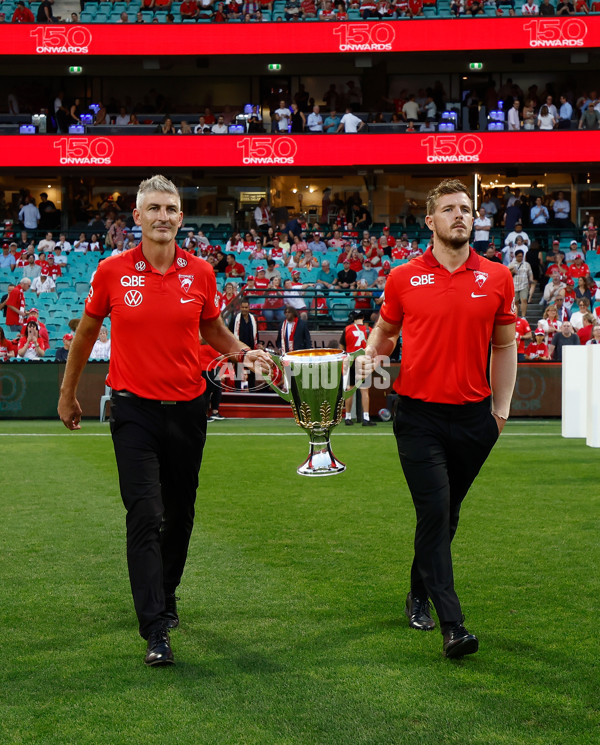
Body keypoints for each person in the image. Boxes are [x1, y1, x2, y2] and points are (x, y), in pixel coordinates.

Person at [57, 175, 270, 667]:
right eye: (153, 208)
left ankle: (166, 593)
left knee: (180, 514)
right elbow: (85, 336)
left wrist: (244, 353)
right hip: (133, 411)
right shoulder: (111, 272)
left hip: (189, 410)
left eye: (171, 209)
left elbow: (213, 329)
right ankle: (154, 626)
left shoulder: (201, 273)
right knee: (145, 514)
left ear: (180, 216)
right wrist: (69, 394)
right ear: (136, 216)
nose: (162, 216)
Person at [361, 179, 516, 659]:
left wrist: (501, 412)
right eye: (449, 209)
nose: (460, 216)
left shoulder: (497, 277)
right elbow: (385, 333)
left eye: (466, 209)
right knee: (433, 511)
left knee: (444, 519)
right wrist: (371, 355)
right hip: (418, 417)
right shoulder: (403, 277)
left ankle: (416, 592)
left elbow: (505, 346)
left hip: (475, 420)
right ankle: (454, 625)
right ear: (430, 221)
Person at [340, 309, 376, 427]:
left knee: (350, 389)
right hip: (363, 362)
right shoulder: (369, 330)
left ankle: (348, 417)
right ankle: (366, 417)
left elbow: (342, 348)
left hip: (351, 360)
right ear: (363, 318)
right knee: (364, 390)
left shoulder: (347, 329)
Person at [508, 249, 535, 318]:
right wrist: (512, 271)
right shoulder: (511, 264)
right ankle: (516, 316)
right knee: (516, 301)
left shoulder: (526, 264)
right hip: (514, 285)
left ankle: (523, 316)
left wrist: (531, 280)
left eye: (521, 256)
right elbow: (507, 275)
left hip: (524, 284)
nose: (520, 257)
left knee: (524, 300)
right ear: (516, 256)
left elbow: (530, 273)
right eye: (519, 256)